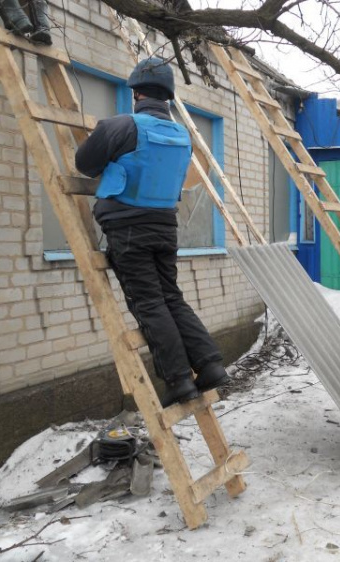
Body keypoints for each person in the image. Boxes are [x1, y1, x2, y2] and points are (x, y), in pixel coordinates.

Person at [75, 57, 229, 408]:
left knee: (149, 303)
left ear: (136, 94)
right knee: (171, 297)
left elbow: (84, 164)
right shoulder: (183, 136)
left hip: (128, 227)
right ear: (168, 97)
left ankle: (178, 380)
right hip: (165, 228)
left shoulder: (122, 126)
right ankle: (210, 365)